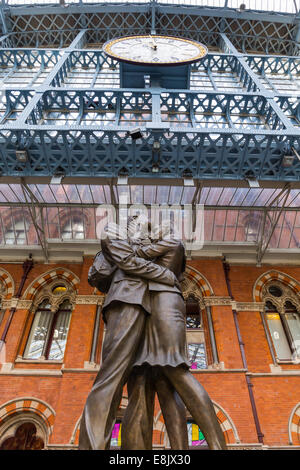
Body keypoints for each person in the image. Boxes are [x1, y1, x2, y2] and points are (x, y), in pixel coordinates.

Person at [78, 216, 185, 450]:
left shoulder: (149, 243)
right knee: (111, 378)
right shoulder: (114, 230)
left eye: (150, 227)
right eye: (144, 225)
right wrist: (163, 275)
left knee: (140, 383)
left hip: (150, 308)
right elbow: (127, 261)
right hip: (126, 299)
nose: (149, 230)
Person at [121, 221, 227, 451]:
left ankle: (218, 445)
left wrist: (132, 239)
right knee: (159, 383)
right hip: (151, 308)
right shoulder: (168, 246)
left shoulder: (171, 242)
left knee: (175, 370)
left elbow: (136, 255)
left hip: (164, 305)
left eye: (153, 230)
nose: (150, 234)